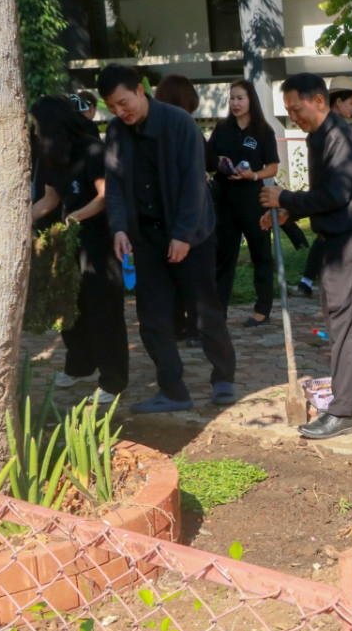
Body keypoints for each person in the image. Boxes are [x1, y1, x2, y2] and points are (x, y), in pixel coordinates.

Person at [97, 63, 237, 413]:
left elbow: (193, 184)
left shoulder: (179, 123)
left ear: (140, 91)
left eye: (123, 102)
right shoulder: (116, 132)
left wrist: (182, 235)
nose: (120, 112)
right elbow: (114, 185)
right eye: (112, 107)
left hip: (192, 234)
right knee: (153, 318)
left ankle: (223, 377)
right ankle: (173, 390)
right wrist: (118, 227)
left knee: (204, 312)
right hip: (145, 237)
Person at [259, 73, 352, 439]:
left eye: (297, 108)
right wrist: (289, 211)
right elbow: (326, 196)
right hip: (337, 240)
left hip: (350, 243)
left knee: (344, 326)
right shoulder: (319, 137)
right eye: (288, 111)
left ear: (318, 101)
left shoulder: (339, 137)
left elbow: (336, 195)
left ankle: (344, 413)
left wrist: (285, 197)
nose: (293, 116)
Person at [29, 96, 129, 405]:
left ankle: (113, 380)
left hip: (99, 240)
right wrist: (18, 222)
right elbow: (49, 200)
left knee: (103, 310)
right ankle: (80, 365)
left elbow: (104, 196)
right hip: (69, 241)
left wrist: (75, 217)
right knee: (70, 307)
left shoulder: (92, 150)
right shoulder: (52, 155)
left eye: (37, 125)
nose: (34, 131)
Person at [291, 76, 352, 298]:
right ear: (338, 102)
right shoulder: (321, 135)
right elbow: (329, 190)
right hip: (333, 216)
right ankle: (308, 281)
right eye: (351, 103)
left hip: (346, 224)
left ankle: (308, 282)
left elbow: (342, 188)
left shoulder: (341, 134)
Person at [207, 80, 278, 327]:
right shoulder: (222, 128)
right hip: (224, 199)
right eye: (232, 98)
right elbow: (208, 158)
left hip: (252, 198)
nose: (235, 103)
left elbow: (272, 167)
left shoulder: (263, 131)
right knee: (223, 256)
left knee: (261, 253)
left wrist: (253, 175)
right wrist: (218, 162)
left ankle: (262, 309)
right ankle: (219, 312)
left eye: (240, 98)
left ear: (251, 101)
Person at [154, 73, 205, 347]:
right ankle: (195, 328)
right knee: (192, 277)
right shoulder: (186, 129)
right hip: (190, 216)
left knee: (173, 276)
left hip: (163, 214)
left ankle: (177, 326)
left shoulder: (156, 130)